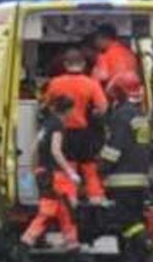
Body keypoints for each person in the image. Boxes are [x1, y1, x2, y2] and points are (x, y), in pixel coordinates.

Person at [102, 70, 153, 262]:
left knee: (127, 221)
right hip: (139, 177)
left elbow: (115, 147)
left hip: (123, 178)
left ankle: (149, 249)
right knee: (134, 219)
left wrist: (102, 167)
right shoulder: (138, 114)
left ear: (120, 92)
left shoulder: (122, 115)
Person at [15, 95, 80, 262]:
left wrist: (33, 169)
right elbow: (56, 151)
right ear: (67, 110)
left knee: (63, 212)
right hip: (55, 175)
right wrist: (70, 171)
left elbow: (34, 147)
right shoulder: (58, 125)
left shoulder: (46, 124)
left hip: (43, 172)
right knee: (54, 211)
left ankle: (73, 249)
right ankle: (24, 246)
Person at [44, 48, 109, 203]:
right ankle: (96, 200)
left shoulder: (55, 83)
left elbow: (46, 105)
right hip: (84, 133)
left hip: (64, 133)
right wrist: (94, 114)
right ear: (84, 65)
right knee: (90, 169)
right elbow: (103, 107)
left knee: (69, 168)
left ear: (65, 64)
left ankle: (71, 201)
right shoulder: (91, 84)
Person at [92, 24, 140, 92]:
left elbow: (102, 77)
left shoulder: (105, 55)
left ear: (104, 38)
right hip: (134, 95)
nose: (95, 42)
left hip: (115, 96)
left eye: (96, 38)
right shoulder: (129, 53)